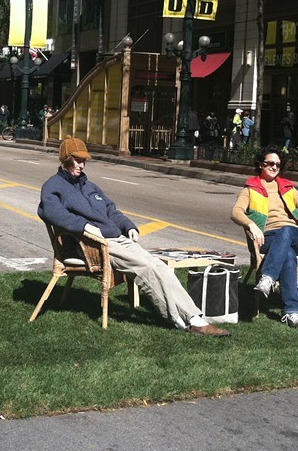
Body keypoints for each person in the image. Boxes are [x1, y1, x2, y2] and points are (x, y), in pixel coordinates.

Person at [39, 137, 230, 337]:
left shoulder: (90, 186)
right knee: (146, 268)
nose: (82, 164)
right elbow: (50, 212)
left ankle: (193, 317)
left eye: (84, 160)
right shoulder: (54, 186)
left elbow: (111, 210)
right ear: (65, 160)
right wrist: (84, 226)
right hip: (93, 244)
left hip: (116, 239)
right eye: (77, 160)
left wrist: (128, 226)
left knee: (159, 266)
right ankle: (180, 320)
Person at [231, 147, 298, 329]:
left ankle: (267, 277)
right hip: (269, 239)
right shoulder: (251, 189)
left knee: (286, 230)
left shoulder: (288, 188)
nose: (274, 167)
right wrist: (250, 225)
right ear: (260, 164)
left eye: (278, 164)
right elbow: (235, 212)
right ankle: (292, 313)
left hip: (296, 236)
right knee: (288, 255)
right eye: (270, 163)